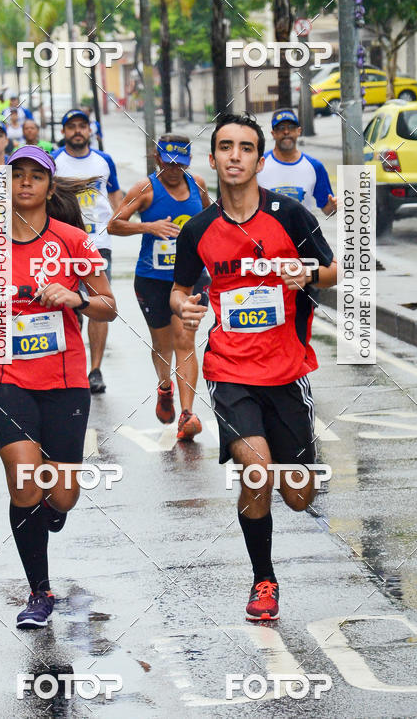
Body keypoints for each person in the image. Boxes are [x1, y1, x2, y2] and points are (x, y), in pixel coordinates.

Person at [170, 112, 337, 622]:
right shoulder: (197, 229)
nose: (235, 155)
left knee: (298, 492)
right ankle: (263, 579)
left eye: (245, 147)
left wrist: (304, 273)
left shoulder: (289, 216)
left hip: (287, 372)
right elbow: (178, 290)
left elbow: (332, 271)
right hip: (231, 370)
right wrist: (186, 307)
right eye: (226, 146)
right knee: (256, 470)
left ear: (259, 160)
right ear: (214, 157)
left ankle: (302, 461)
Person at [0, 146, 116, 628]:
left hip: (65, 380)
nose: (24, 183)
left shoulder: (73, 241)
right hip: (9, 378)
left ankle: (52, 509)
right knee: (24, 481)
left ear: (48, 185)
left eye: (34, 176)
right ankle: (39, 592)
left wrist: (75, 297)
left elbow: (108, 304)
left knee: (61, 496)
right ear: (6, 186)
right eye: (16, 175)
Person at [108, 134, 210, 440]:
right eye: (169, 161)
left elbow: (210, 220)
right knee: (164, 344)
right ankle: (165, 387)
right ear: (157, 158)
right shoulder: (145, 188)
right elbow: (114, 224)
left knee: (185, 340)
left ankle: (187, 413)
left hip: (190, 277)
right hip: (153, 278)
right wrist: (148, 226)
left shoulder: (199, 185)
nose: (175, 168)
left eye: (181, 163)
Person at [53, 110, 123, 394]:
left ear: (89, 130)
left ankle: (94, 370)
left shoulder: (104, 161)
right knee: (67, 305)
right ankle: (69, 365)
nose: (77, 131)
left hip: (98, 244)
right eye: (72, 127)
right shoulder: (55, 161)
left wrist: (118, 219)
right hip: (62, 246)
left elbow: (116, 193)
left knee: (98, 304)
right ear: (64, 131)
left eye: (82, 126)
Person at [257, 109, 337, 215]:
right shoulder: (258, 165)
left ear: (298, 131)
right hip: (267, 231)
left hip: (303, 231)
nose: (286, 132)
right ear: (273, 134)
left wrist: (333, 207)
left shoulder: (315, 167)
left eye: (291, 127)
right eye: (281, 128)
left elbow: (328, 210)